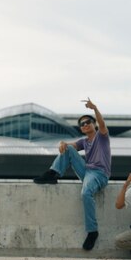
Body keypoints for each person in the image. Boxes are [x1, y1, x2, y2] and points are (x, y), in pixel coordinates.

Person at [33, 98, 111, 250]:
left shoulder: (101, 137)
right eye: (82, 124)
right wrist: (62, 143)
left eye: (88, 122)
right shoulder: (84, 141)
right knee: (68, 149)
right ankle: (53, 173)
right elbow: (70, 148)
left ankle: (92, 231)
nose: (85, 125)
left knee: (86, 193)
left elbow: (102, 124)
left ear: (93, 124)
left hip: (99, 174)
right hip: (87, 171)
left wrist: (94, 108)